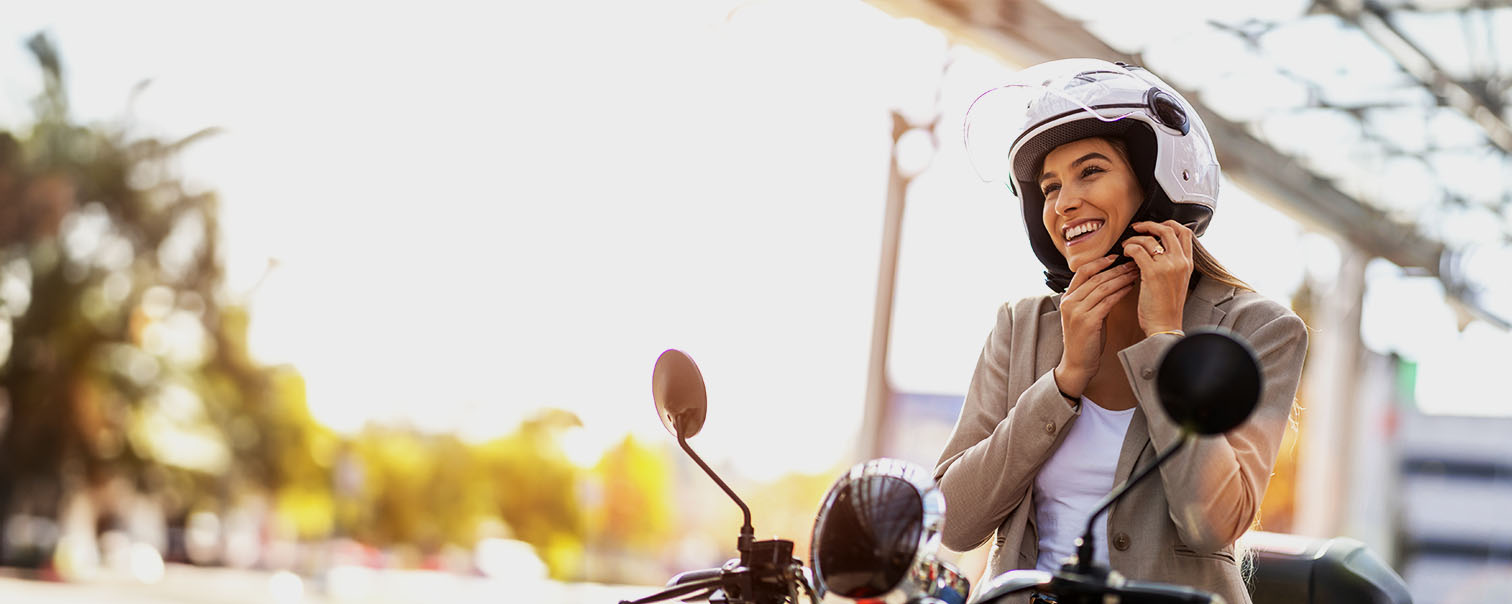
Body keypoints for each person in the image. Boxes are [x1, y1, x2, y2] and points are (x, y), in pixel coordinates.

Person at [935, 59, 1308, 604]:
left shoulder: (1260, 329)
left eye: (1090, 172)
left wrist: (1164, 341)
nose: (1064, 203)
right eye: (1051, 185)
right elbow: (952, 522)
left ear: (1155, 180)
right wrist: (1063, 382)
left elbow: (1213, 524)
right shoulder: (1020, 327)